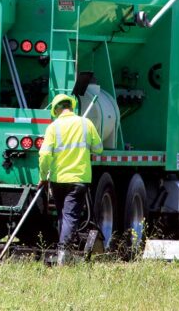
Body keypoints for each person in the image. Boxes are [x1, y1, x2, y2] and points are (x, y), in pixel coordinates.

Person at [38, 94, 102, 265]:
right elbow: (99, 149)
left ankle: (63, 253)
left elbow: (44, 154)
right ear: (71, 107)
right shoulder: (86, 124)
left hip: (58, 180)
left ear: (58, 109)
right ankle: (64, 255)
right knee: (70, 217)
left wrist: (43, 177)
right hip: (79, 179)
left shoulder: (53, 127)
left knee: (63, 216)